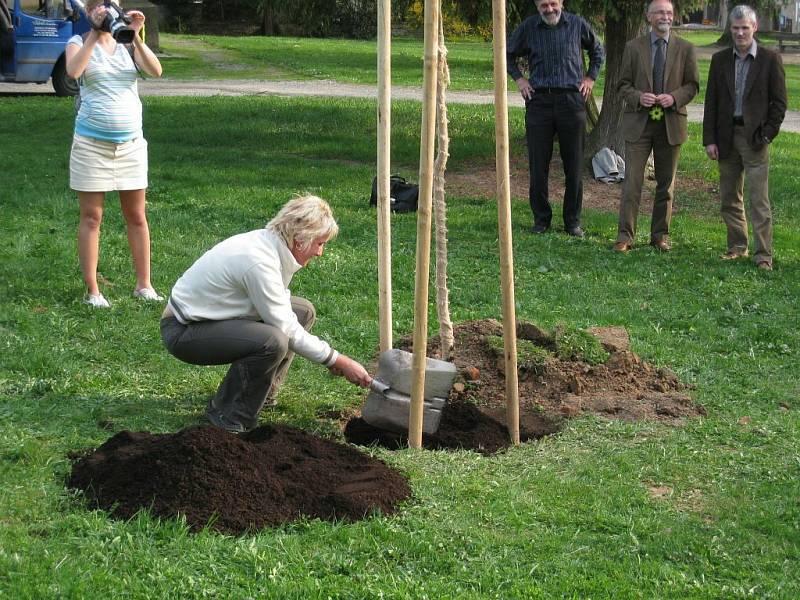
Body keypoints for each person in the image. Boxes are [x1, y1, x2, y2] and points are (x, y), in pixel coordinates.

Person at [160, 195, 373, 434]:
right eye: (319, 243)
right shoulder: (259, 261)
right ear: (299, 239)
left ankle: (262, 394)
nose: (320, 253)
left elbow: (285, 313)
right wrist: (339, 361)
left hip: (211, 319)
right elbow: (285, 328)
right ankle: (229, 414)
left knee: (302, 311)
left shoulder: (273, 246)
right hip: (184, 331)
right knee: (273, 341)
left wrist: (332, 359)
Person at [65, 0, 163, 308]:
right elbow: (73, 72)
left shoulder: (127, 43)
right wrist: (94, 34)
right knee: (92, 217)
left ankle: (144, 285)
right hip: (91, 145)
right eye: (101, 8)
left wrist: (135, 35)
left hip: (131, 146)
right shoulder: (78, 42)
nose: (108, 13)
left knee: (136, 216)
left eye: (112, 7)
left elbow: (155, 71)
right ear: (90, 12)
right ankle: (93, 291)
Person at [507, 0, 604, 237]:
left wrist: (590, 77)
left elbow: (598, 50)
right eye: (543, 5)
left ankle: (572, 221)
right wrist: (520, 79)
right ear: (536, 6)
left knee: (574, 165)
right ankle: (541, 219)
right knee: (538, 165)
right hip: (539, 101)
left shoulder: (577, 24)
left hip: (572, 101)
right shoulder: (528, 27)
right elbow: (506, 54)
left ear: (561, 2)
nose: (549, 9)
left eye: (553, 3)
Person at [703, 5, 786, 271]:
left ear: (754, 28)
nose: (740, 33)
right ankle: (737, 246)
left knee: (758, 199)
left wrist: (768, 133)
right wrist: (709, 139)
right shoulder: (720, 60)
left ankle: (763, 254)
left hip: (755, 140)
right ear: (730, 29)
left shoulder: (770, 60)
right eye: (736, 28)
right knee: (729, 197)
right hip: (726, 139)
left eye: (745, 28)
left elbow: (779, 103)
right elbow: (711, 103)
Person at [613, 0, 699, 253]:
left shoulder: (686, 48)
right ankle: (625, 236)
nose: (666, 17)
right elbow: (622, 85)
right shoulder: (633, 47)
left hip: (671, 123)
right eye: (660, 12)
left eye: (670, 13)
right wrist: (638, 97)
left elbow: (692, 85)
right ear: (649, 17)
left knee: (666, 184)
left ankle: (659, 235)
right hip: (639, 123)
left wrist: (674, 98)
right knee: (632, 183)